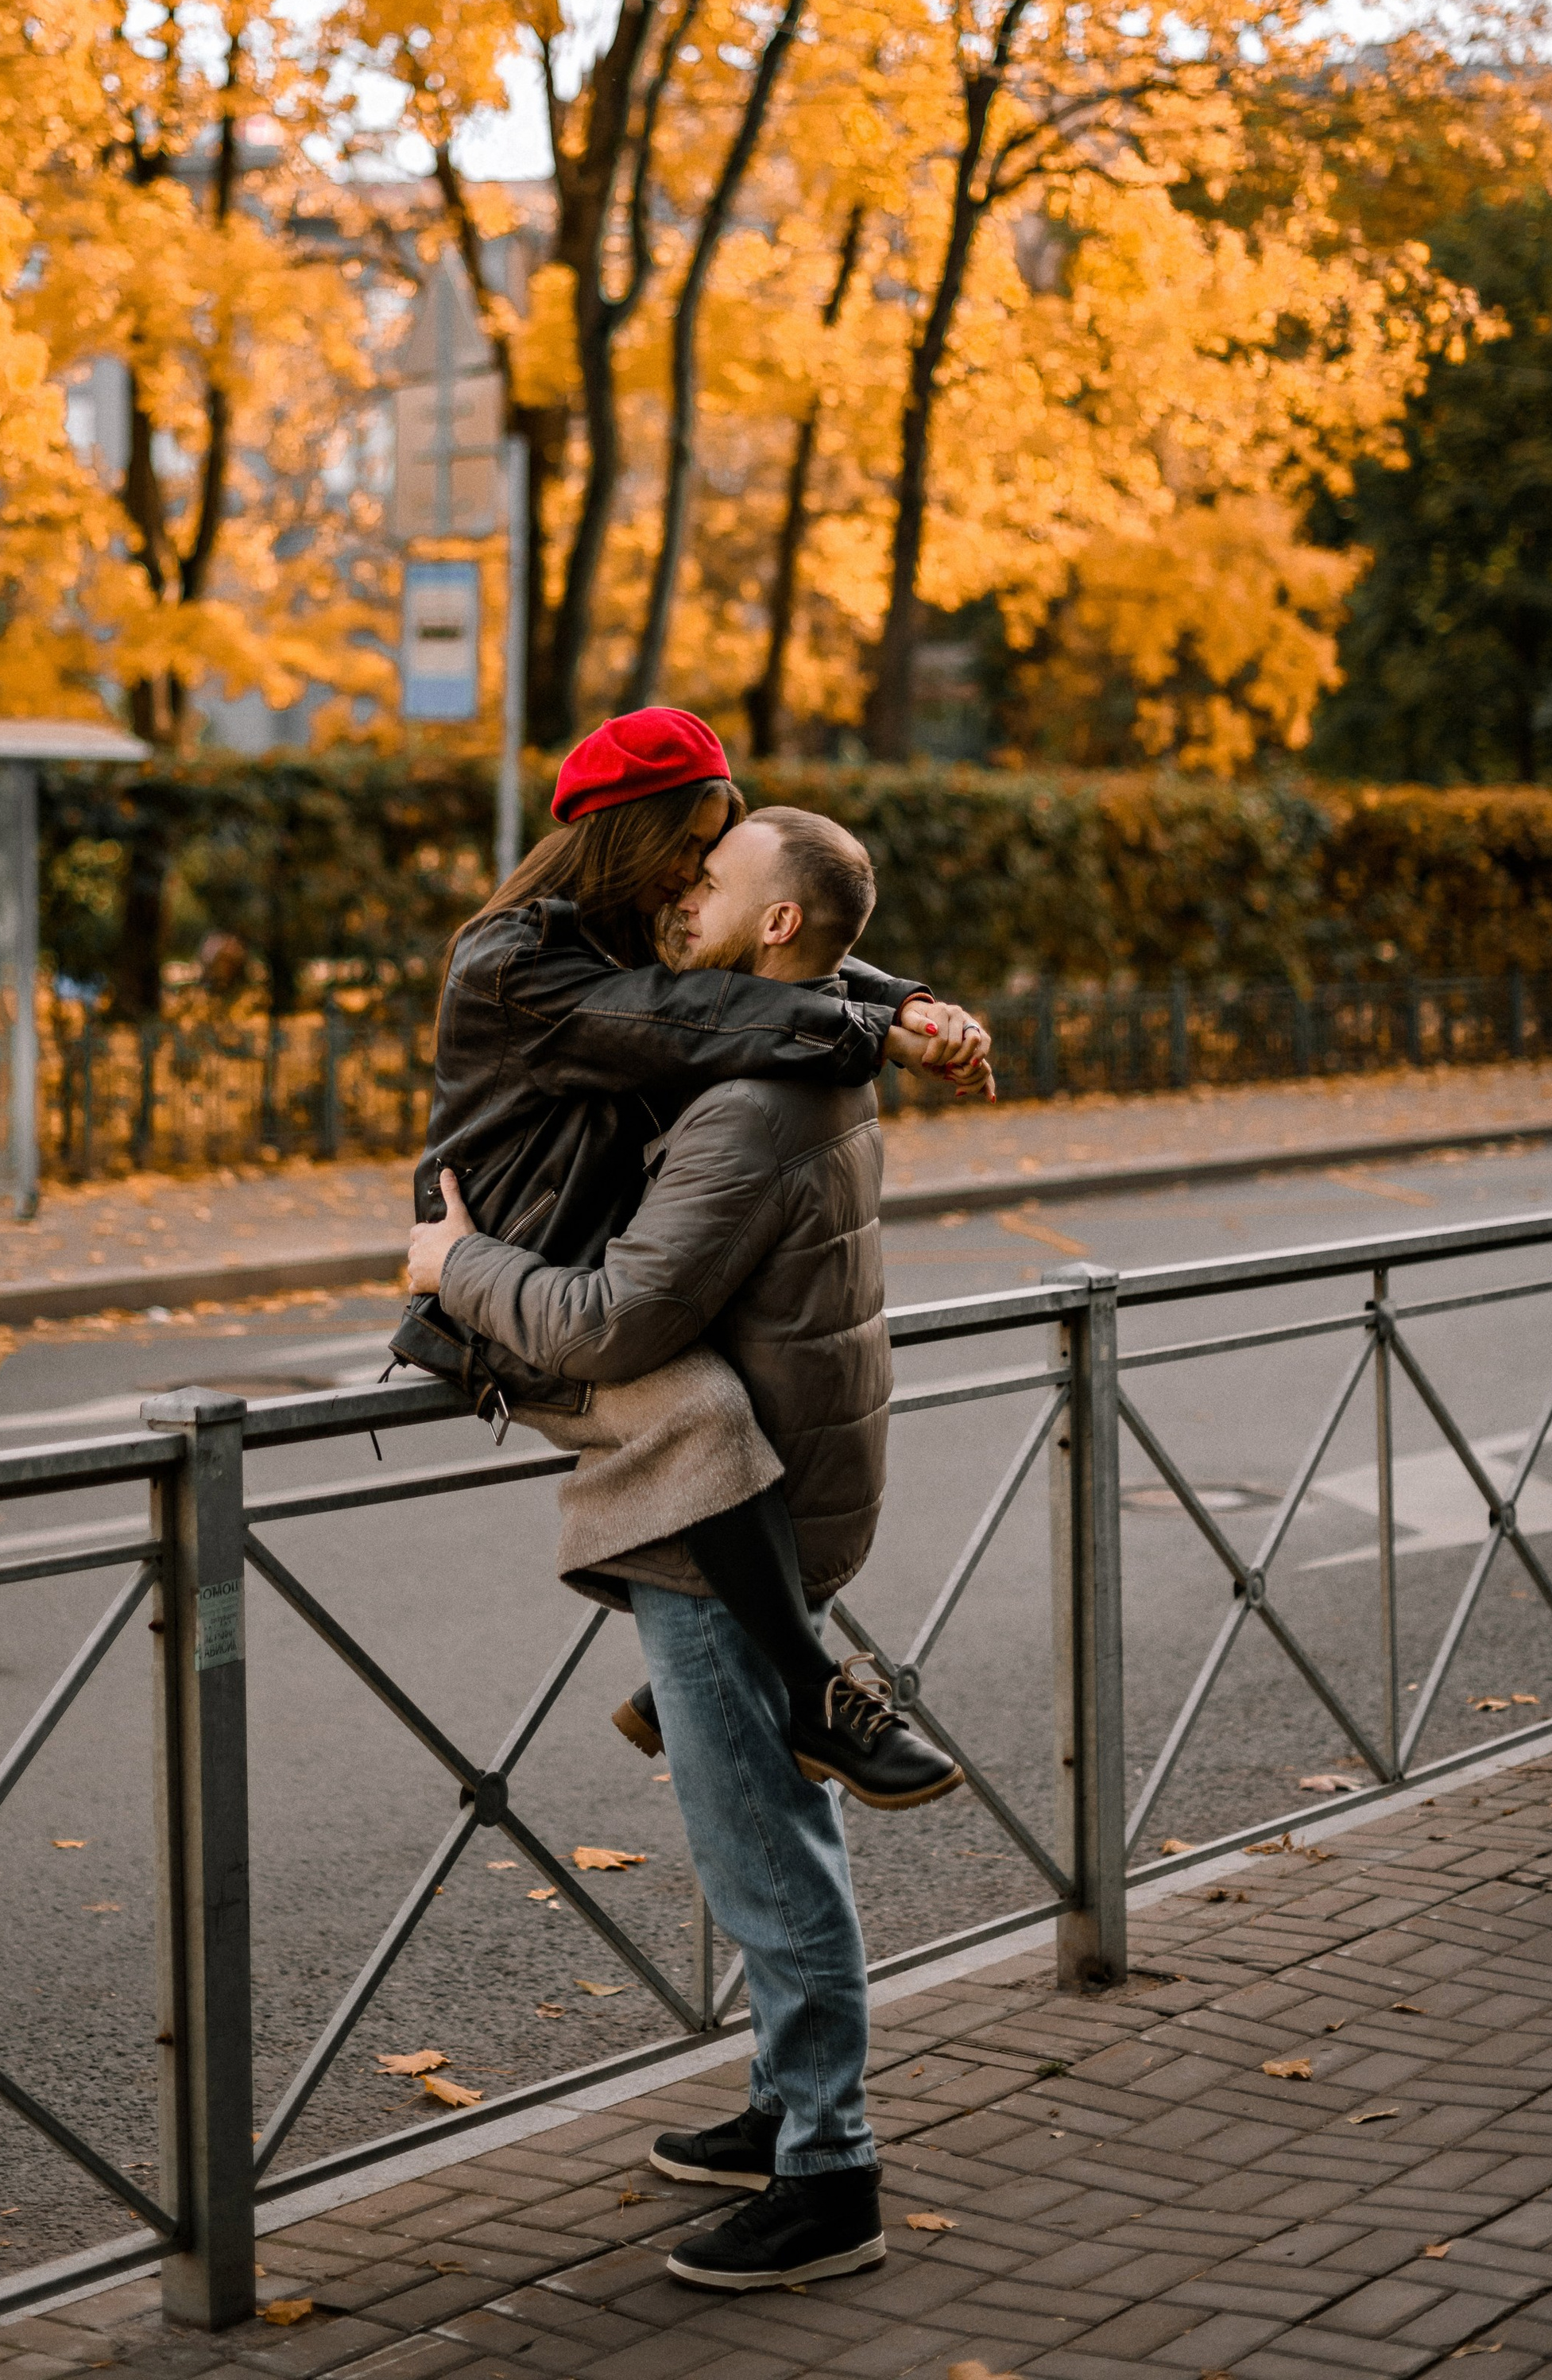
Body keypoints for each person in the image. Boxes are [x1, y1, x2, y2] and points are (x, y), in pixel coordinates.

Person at [406, 800, 941, 2293]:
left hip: (720, 1507)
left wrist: (458, 1264)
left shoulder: (748, 1101)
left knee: (765, 1851)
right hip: (798, 1471)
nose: (683, 895)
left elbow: (616, 1323)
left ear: (774, 927)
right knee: (778, 1824)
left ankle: (829, 2174)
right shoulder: (804, 1047)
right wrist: (907, 1010)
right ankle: (785, 2112)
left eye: (712, 878)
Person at [392, 707, 992, 1804]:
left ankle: (693, 1687)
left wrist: (906, 997)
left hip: (609, 1270)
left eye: (711, 862)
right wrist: (882, 1033)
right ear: (629, 836)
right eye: (689, 849)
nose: (691, 881)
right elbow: (702, 1014)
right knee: (705, 1411)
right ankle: (816, 1692)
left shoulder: (631, 932)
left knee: (771, 1400)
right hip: (509, 1288)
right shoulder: (516, 961)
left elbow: (767, 952)